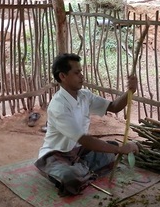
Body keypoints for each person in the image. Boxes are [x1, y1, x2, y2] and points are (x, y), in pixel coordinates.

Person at [35, 53, 139, 196]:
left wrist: (130, 91)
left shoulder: (84, 95)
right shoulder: (58, 106)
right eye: (76, 73)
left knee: (111, 149)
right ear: (62, 76)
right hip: (57, 154)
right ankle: (72, 171)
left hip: (79, 151)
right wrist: (121, 150)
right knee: (69, 177)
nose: (82, 76)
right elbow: (84, 139)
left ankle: (82, 169)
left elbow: (114, 107)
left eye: (81, 72)